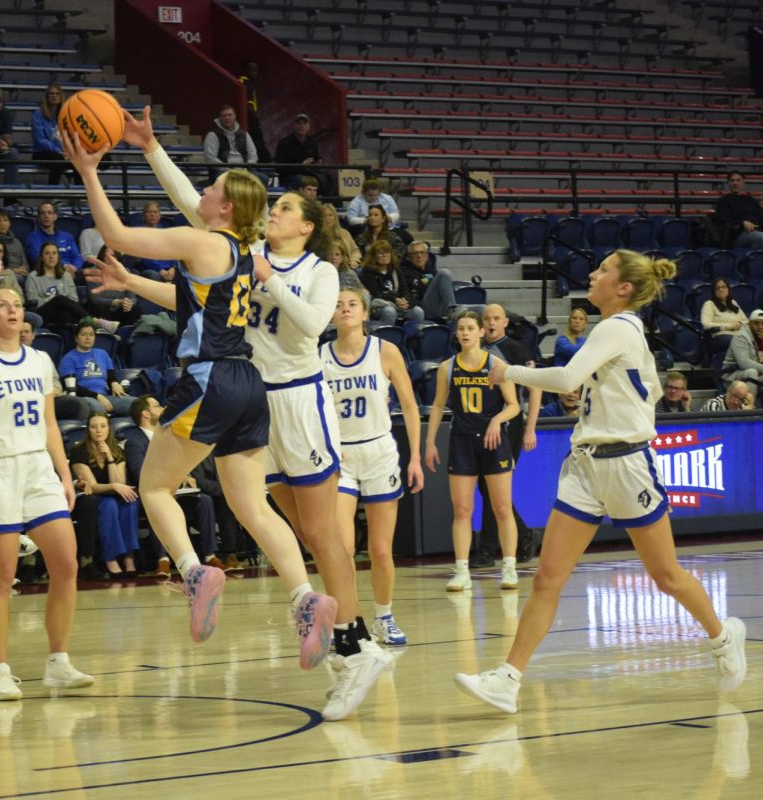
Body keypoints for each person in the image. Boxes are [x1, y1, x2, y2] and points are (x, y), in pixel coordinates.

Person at [67, 114, 384, 722]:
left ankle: (204, 577)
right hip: (253, 389)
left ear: (307, 224)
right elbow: (194, 254)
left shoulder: (309, 269)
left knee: (170, 488)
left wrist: (87, 169)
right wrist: (152, 147)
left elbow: (311, 322)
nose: (276, 213)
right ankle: (309, 607)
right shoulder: (245, 248)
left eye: (288, 207)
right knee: (256, 509)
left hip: (281, 394)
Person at [454, 249, 747, 714]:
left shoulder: (619, 326)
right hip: (585, 465)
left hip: (627, 465)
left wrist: (507, 371)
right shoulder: (612, 332)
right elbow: (630, 386)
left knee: (666, 576)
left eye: (604, 269)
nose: (594, 274)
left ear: (623, 287)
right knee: (548, 577)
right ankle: (508, 679)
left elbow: (568, 374)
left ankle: (723, 635)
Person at [0, 286, 94, 700]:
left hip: (38, 466)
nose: (12, 310)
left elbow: (49, 424)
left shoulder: (41, 360)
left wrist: (63, 473)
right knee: (3, 575)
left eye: (18, 305)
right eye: (2, 305)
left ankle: (58, 662)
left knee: (66, 563)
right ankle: (0, 671)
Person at [322, 288, 424, 645]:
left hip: (380, 452)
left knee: (381, 550)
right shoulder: (319, 356)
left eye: (352, 305)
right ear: (330, 315)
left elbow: (410, 407)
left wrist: (415, 457)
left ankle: (384, 616)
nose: (345, 309)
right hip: (341, 459)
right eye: (338, 305)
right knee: (342, 549)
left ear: (365, 313)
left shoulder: (386, 351)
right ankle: (350, 621)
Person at [425, 311, 521, 591]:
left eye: (470, 328)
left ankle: (509, 567)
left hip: (493, 441)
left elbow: (514, 405)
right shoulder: (447, 367)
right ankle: (462, 570)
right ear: (456, 334)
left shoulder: (496, 364)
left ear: (481, 332)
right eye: (461, 329)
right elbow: (437, 406)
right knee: (463, 509)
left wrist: (496, 420)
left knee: (502, 508)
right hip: (462, 440)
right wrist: (430, 442)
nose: (465, 333)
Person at [124, 395, 221, 577]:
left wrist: (185, 475)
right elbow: (139, 473)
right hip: (156, 490)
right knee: (156, 502)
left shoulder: (170, 433)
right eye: (157, 405)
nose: (162, 408)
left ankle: (210, 555)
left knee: (205, 501)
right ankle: (164, 560)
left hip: (180, 490)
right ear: (145, 413)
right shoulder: (135, 441)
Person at [479, 303, 542, 565]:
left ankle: (489, 547)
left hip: (509, 426)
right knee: (486, 485)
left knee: (493, 484)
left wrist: (530, 428)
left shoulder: (517, 350)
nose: (492, 323)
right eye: (487, 319)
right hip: (480, 424)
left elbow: (535, 388)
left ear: (505, 322)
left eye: (496, 318)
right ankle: (522, 535)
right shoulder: (473, 350)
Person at [69, 411, 139, 580]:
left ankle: (129, 558)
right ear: (88, 430)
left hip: (113, 494)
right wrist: (114, 486)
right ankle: (111, 558)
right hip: (93, 497)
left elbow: (119, 481)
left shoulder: (116, 450)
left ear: (109, 429)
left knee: (131, 502)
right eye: (94, 427)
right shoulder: (79, 451)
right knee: (109, 505)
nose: (98, 431)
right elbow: (92, 487)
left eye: (103, 426)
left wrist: (109, 457)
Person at [25, 243, 114, 332]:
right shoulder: (33, 277)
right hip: (42, 313)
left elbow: (74, 299)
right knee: (59, 299)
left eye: (54, 253)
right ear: (41, 257)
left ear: (58, 257)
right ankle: (94, 322)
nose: (51, 256)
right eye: (47, 253)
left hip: (63, 311)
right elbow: (34, 303)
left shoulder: (66, 276)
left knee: (65, 313)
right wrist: (54, 301)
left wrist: (60, 304)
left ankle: (65, 341)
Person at [57, 321, 133, 417]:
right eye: (84, 334)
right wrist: (97, 396)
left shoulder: (102, 354)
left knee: (138, 405)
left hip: (107, 396)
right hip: (84, 398)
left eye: (91, 335)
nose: (88, 338)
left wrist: (114, 383)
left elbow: (111, 377)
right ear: (76, 338)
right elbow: (72, 387)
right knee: (98, 409)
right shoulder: (68, 358)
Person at [19, 320, 91, 421]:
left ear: (33, 335)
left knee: (79, 403)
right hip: (25, 403)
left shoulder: (42, 356)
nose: (23, 335)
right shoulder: (8, 358)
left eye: (26, 332)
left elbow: (55, 382)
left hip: (49, 399)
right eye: (20, 332)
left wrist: (55, 390)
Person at [361, 239, 421, 325]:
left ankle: (412, 337)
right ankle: (385, 336)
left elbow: (404, 289)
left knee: (418, 311)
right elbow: (376, 293)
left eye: (387, 252)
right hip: (380, 304)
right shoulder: (368, 271)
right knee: (390, 311)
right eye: (381, 253)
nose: (385, 255)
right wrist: (395, 299)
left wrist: (405, 301)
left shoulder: (396, 269)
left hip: (398, 304)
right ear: (374, 256)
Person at [400, 240, 462, 322]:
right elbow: (414, 293)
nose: (419, 256)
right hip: (422, 308)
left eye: (422, 253)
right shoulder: (404, 272)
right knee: (444, 273)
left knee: (479, 308)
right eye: (415, 253)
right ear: (409, 257)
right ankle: (452, 310)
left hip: (440, 307)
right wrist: (426, 281)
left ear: (427, 256)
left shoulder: (430, 270)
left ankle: (452, 310)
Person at [721, 309, 763, 386]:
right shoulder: (741, 337)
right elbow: (744, 363)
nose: (760, 326)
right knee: (752, 372)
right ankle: (751, 398)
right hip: (734, 376)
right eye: (756, 323)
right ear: (749, 324)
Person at [273, 113, 331, 193]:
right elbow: (280, 168)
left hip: (309, 173)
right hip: (290, 177)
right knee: (302, 180)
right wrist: (301, 165)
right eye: (299, 123)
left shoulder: (312, 142)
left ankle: (324, 203)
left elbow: (315, 160)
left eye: (304, 124)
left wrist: (317, 164)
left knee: (327, 178)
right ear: (294, 126)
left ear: (308, 127)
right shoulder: (284, 143)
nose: (301, 126)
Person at [31, 82, 71, 185]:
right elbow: (40, 140)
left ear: (61, 96)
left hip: (63, 153)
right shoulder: (38, 114)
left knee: (79, 161)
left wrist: (69, 152)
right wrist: (58, 151)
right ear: (46, 96)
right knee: (58, 160)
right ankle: (54, 194)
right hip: (42, 153)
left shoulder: (66, 115)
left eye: (57, 94)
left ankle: (81, 196)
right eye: (51, 94)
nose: (54, 96)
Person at [24, 202, 83, 271]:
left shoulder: (67, 236)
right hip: (47, 272)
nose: (46, 216)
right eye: (43, 213)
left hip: (71, 271)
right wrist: (64, 266)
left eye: (49, 213)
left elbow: (77, 257)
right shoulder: (32, 237)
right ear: (39, 217)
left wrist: (75, 267)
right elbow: (36, 258)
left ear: (55, 216)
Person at [203, 103, 259, 168]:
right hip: (222, 173)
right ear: (219, 118)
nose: (227, 118)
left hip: (244, 170)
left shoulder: (244, 134)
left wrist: (247, 168)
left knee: (264, 178)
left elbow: (253, 155)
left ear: (235, 116)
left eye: (230, 115)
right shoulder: (212, 135)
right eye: (223, 116)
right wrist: (228, 171)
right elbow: (210, 158)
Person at [700, 278, 747, 354]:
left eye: (723, 287)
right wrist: (728, 326)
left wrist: (739, 323)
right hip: (720, 336)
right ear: (714, 291)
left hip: (739, 334)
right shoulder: (709, 304)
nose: (721, 290)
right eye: (718, 288)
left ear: (728, 289)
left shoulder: (733, 303)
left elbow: (746, 321)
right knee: (738, 341)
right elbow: (705, 324)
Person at [0, 210, 30, 275]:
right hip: (2, 274)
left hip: (21, 274)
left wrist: (24, 271)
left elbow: (25, 263)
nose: (2, 224)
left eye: (5, 220)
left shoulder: (16, 242)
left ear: (9, 223)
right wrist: (13, 271)